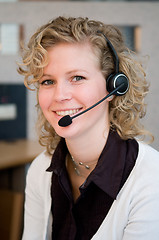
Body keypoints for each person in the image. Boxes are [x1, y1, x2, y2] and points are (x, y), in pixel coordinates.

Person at [18, 16, 159, 240]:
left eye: (77, 77)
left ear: (114, 87)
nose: (60, 96)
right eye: (48, 81)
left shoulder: (150, 179)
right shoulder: (41, 169)